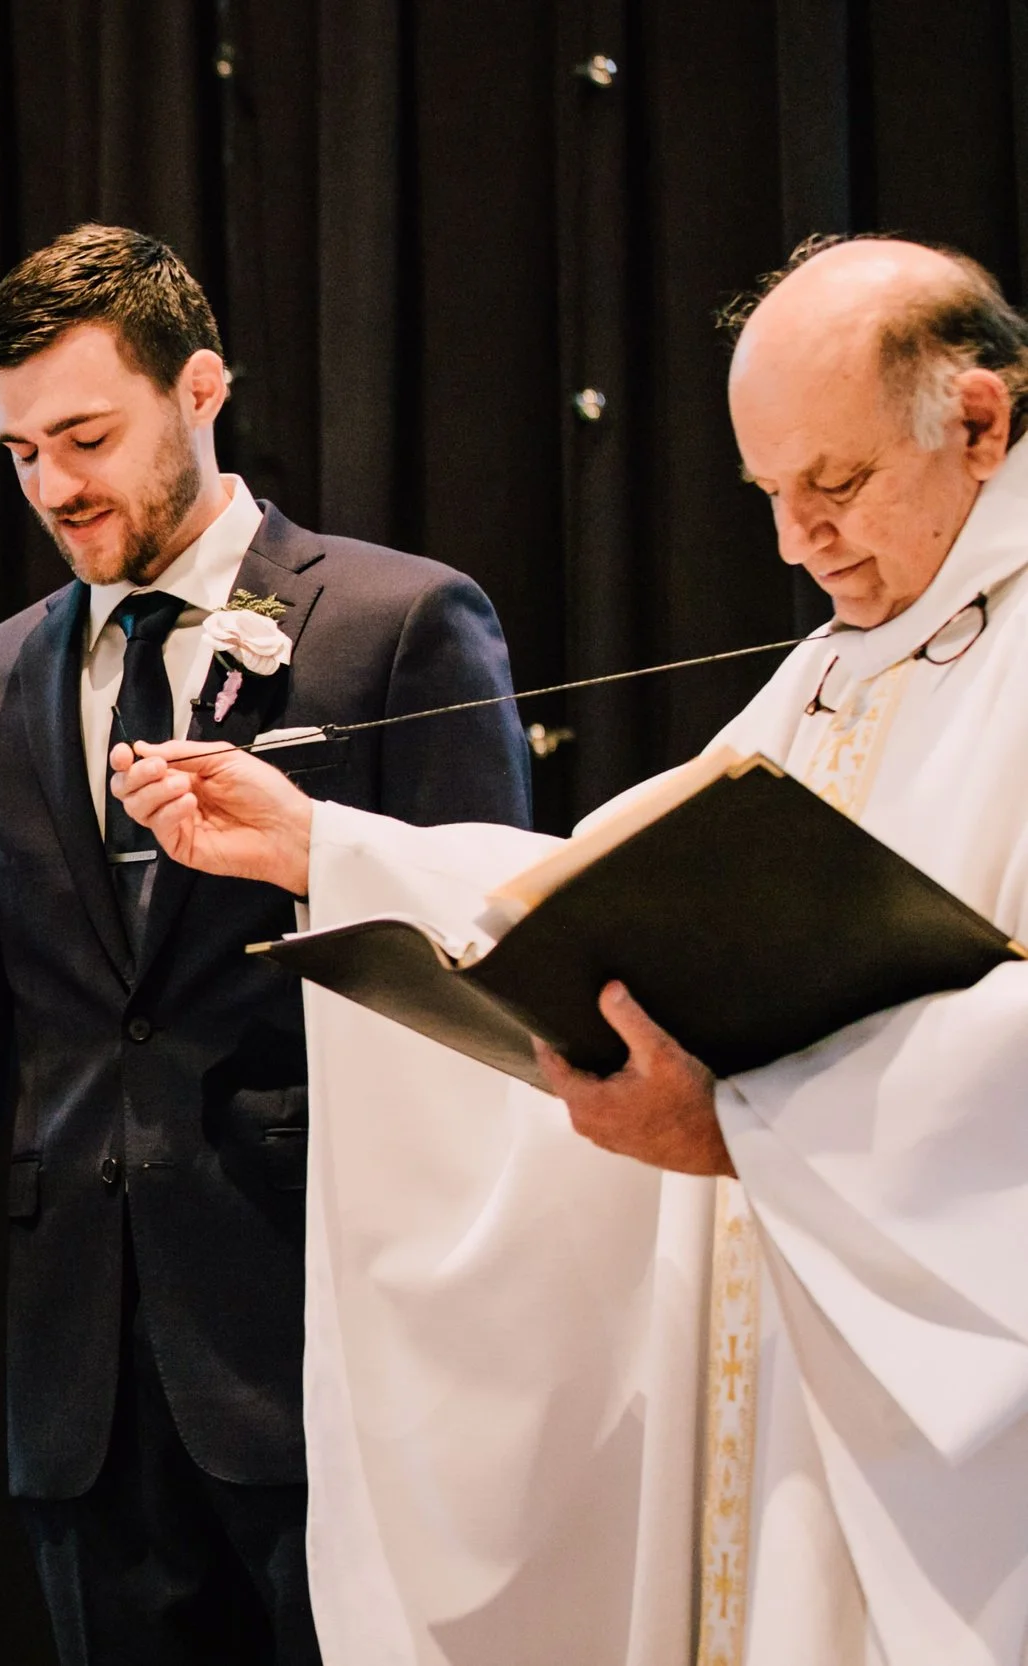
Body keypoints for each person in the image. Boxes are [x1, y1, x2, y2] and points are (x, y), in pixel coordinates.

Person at [112, 235, 1028, 1666]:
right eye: (769, 497)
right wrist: (321, 848)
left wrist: (751, 1124)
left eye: (835, 485)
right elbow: (593, 891)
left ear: (980, 419)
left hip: (956, 1430)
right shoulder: (842, 659)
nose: (799, 543)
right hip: (795, 1371)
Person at [0, 225, 532, 1665]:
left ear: (200, 387)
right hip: (84, 1406)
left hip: (336, 1355)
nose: (54, 487)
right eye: (20, 452)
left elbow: (489, 989)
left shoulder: (399, 622)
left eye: (85, 436)